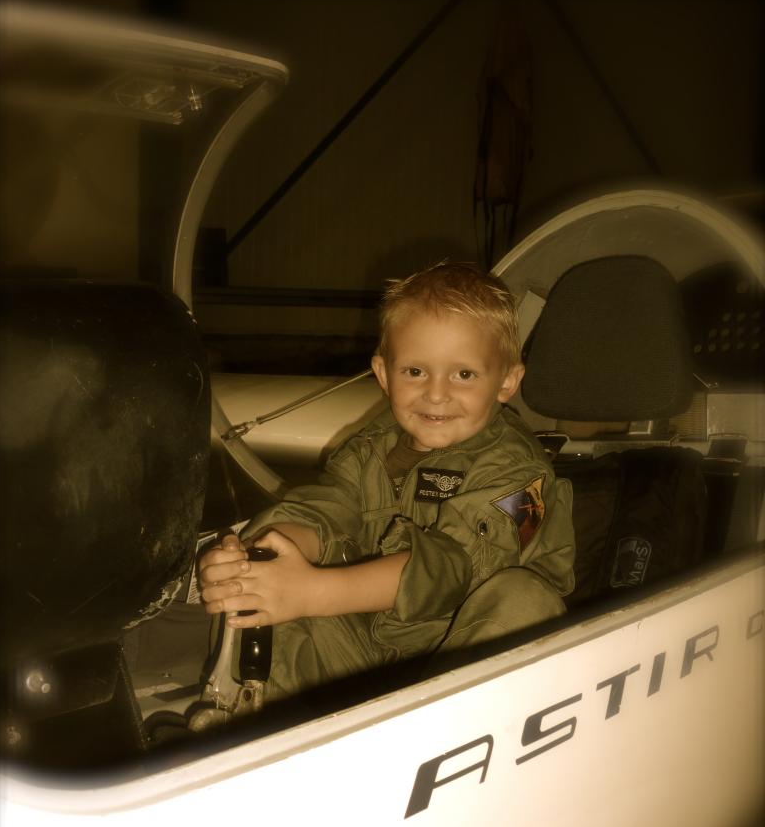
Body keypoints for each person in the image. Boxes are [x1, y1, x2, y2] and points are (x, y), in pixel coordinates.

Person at [199, 261, 575, 702]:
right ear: (383, 374)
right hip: (371, 649)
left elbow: (452, 567)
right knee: (258, 584)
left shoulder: (517, 471)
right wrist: (264, 554)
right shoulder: (371, 448)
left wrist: (315, 591)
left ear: (507, 381)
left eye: (464, 374)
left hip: (461, 665)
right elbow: (326, 508)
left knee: (524, 600)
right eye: (415, 371)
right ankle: (249, 714)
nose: (436, 393)